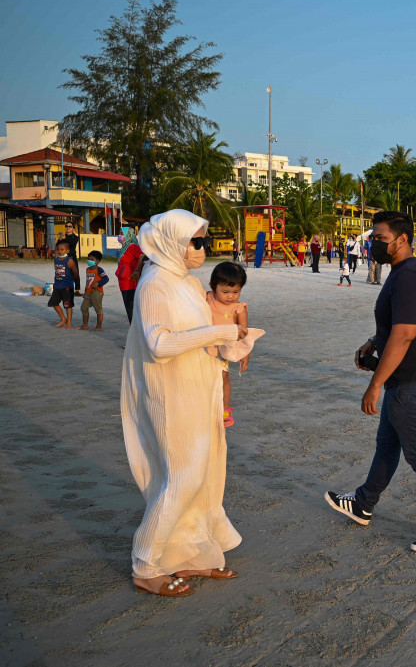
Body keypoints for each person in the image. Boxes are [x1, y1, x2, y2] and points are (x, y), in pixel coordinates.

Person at [326, 210, 416, 553]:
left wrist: (375, 384)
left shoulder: (407, 275)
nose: (374, 244)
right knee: (387, 445)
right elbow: (399, 323)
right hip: (408, 378)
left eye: (381, 238)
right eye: (373, 238)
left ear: (402, 240)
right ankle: (363, 503)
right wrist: (373, 342)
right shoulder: (404, 271)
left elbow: (405, 334)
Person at [122, 209, 244, 597]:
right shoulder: (154, 284)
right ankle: (145, 564)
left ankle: (190, 553)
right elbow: (159, 345)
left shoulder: (188, 283)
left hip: (200, 390)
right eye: (195, 241)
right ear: (172, 242)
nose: (201, 249)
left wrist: (232, 345)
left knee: (206, 475)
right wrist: (219, 333)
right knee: (182, 478)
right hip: (170, 397)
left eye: (203, 240)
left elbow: (201, 333)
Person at [207, 262, 251, 428]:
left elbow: (245, 333)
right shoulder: (207, 298)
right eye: (225, 292)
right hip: (203, 346)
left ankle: (225, 409)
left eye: (236, 292)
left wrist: (245, 353)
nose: (230, 297)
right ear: (213, 287)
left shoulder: (239, 308)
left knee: (223, 376)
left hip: (222, 350)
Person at [116, 229, 146, 324]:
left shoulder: (132, 246)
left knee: (131, 309)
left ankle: (135, 330)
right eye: (119, 233)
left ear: (129, 235)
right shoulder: (124, 248)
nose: (119, 235)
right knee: (129, 309)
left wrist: (136, 271)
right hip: (124, 283)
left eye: (122, 233)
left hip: (131, 283)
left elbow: (142, 256)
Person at [77, 250, 109, 330]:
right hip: (88, 292)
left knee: (98, 309)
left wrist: (98, 283)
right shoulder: (88, 269)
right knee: (84, 307)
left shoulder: (99, 269)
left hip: (97, 292)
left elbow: (106, 278)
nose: (89, 261)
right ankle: (85, 325)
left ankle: (99, 326)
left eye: (92, 259)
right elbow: (87, 281)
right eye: (89, 259)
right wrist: (85, 292)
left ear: (97, 261)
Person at [49, 239, 77, 328]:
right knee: (54, 303)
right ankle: (63, 319)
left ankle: (69, 323)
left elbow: (75, 273)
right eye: (58, 249)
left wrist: (72, 282)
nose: (60, 251)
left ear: (67, 251)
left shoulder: (70, 261)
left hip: (67, 286)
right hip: (57, 286)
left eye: (62, 250)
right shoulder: (56, 259)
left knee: (67, 305)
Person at [62, 223, 82, 293]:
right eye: (66, 226)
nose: (68, 228)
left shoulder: (75, 237)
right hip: (64, 257)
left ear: (73, 228)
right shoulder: (63, 237)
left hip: (72, 257)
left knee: (75, 273)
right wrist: (60, 239)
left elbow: (72, 244)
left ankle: (77, 290)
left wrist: (65, 239)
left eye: (70, 226)